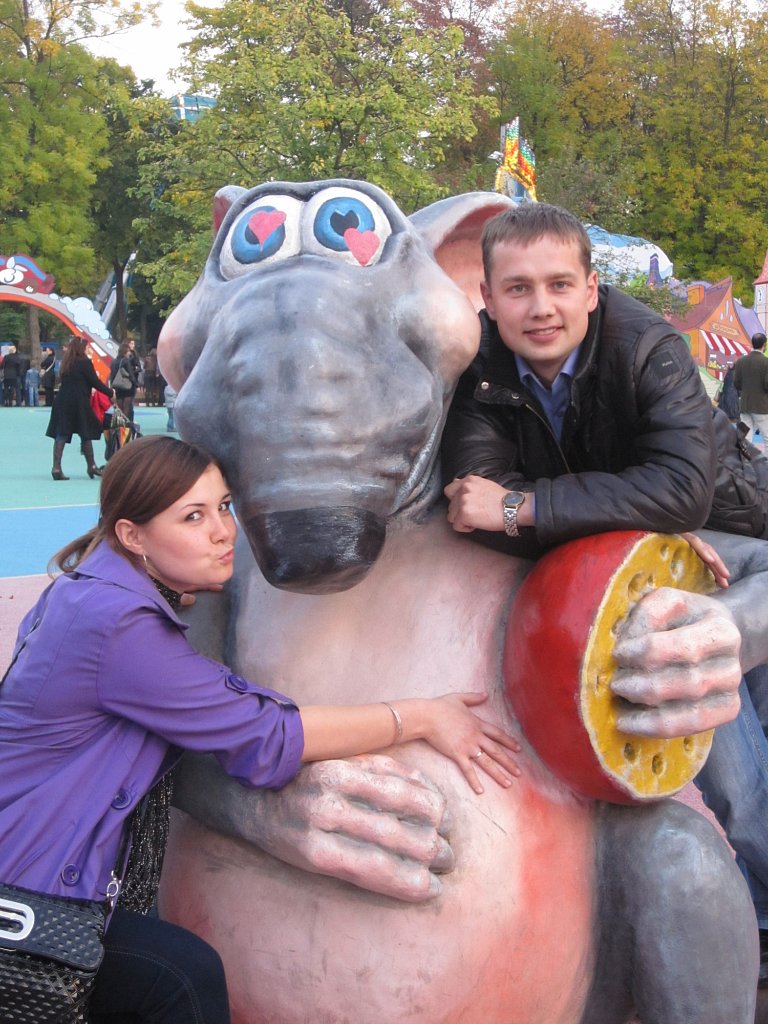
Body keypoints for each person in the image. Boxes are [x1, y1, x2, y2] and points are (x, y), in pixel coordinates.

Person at [0, 434, 520, 1024]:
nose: (224, 532)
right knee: (182, 977)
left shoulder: (85, 591)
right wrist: (422, 716)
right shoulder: (120, 627)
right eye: (193, 517)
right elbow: (269, 737)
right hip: (31, 887)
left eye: (224, 506)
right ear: (133, 536)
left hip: (31, 858)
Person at [441, 201, 768, 980]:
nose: (541, 307)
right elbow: (473, 503)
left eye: (560, 284)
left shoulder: (648, 347)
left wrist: (534, 508)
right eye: (518, 289)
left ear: (592, 289)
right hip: (636, 549)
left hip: (732, 531)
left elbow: (683, 490)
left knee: (727, 759)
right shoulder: (478, 370)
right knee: (728, 763)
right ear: (487, 299)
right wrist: (633, 522)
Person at [46, 336, 113, 480]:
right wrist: (110, 393)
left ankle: (56, 467)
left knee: (62, 433)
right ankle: (91, 466)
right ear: (81, 348)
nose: (88, 349)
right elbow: (95, 382)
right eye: (87, 347)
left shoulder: (66, 362)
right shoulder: (85, 362)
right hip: (79, 402)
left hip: (62, 400)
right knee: (85, 432)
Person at [734, 332, 768, 444]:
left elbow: (736, 383)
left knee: (745, 438)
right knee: (767, 438)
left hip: (745, 405)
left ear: (752, 344)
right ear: (764, 345)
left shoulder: (741, 361)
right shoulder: (766, 362)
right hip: (762, 406)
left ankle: (745, 456)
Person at [110, 338, 139, 421]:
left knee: (120, 407)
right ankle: (126, 424)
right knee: (127, 407)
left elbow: (112, 374)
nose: (129, 353)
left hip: (117, 386)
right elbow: (131, 374)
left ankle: (120, 423)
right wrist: (136, 384)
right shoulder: (126, 361)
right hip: (127, 386)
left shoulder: (114, 361)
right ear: (125, 352)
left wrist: (112, 384)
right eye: (128, 351)